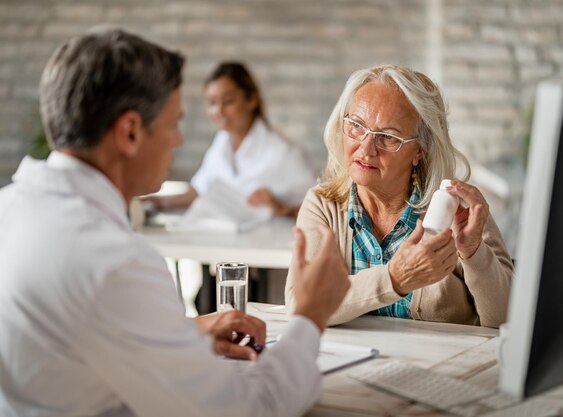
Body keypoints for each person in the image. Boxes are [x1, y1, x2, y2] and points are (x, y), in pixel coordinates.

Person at [0, 28, 350, 417]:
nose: (180, 140)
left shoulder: (9, 210)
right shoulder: (116, 262)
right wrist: (310, 317)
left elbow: (77, 335)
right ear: (130, 132)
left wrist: (185, 333)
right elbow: (249, 409)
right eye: (173, 124)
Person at [285, 65, 513, 328]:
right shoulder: (323, 204)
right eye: (356, 126)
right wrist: (395, 278)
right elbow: (302, 306)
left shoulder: (459, 212)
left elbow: (507, 322)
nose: (367, 148)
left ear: (420, 151)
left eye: (387, 137)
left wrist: (474, 252)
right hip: (355, 366)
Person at [146, 62, 316, 218]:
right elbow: (199, 190)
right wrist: (156, 202)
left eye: (228, 101)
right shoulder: (221, 143)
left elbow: (320, 210)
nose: (219, 111)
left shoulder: (284, 153)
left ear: (251, 100)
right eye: (212, 103)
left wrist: (282, 209)